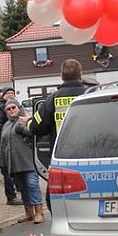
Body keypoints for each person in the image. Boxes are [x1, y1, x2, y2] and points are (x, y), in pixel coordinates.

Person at [26, 59, 87, 214]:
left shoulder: (52, 99)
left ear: (61, 76)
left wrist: (27, 122)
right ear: (81, 74)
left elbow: (36, 127)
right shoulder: (89, 95)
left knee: (55, 201)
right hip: (90, 155)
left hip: (62, 159)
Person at [0, 98, 46, 224]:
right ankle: (29, 213)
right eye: (8, 109)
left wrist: (23, 129)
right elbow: (3, 146)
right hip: (15, 164)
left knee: (32, 185)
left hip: (28, 161)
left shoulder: (26, 120)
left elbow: (36, 134)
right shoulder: (6, 125)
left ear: (19, 108)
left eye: (13, 107)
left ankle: (39, 213)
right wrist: (3, 164)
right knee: (23, 189)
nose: (11, 110)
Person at [0, 86, 20, 206]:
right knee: (7, 170)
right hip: (5, 144)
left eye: (12, 92)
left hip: (18, 144)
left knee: (18, 167)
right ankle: (11, 196)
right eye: (8, 93)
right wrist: (10, 132)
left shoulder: (18, 107)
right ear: (3, 95)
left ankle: (20, 189)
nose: (11, 94)